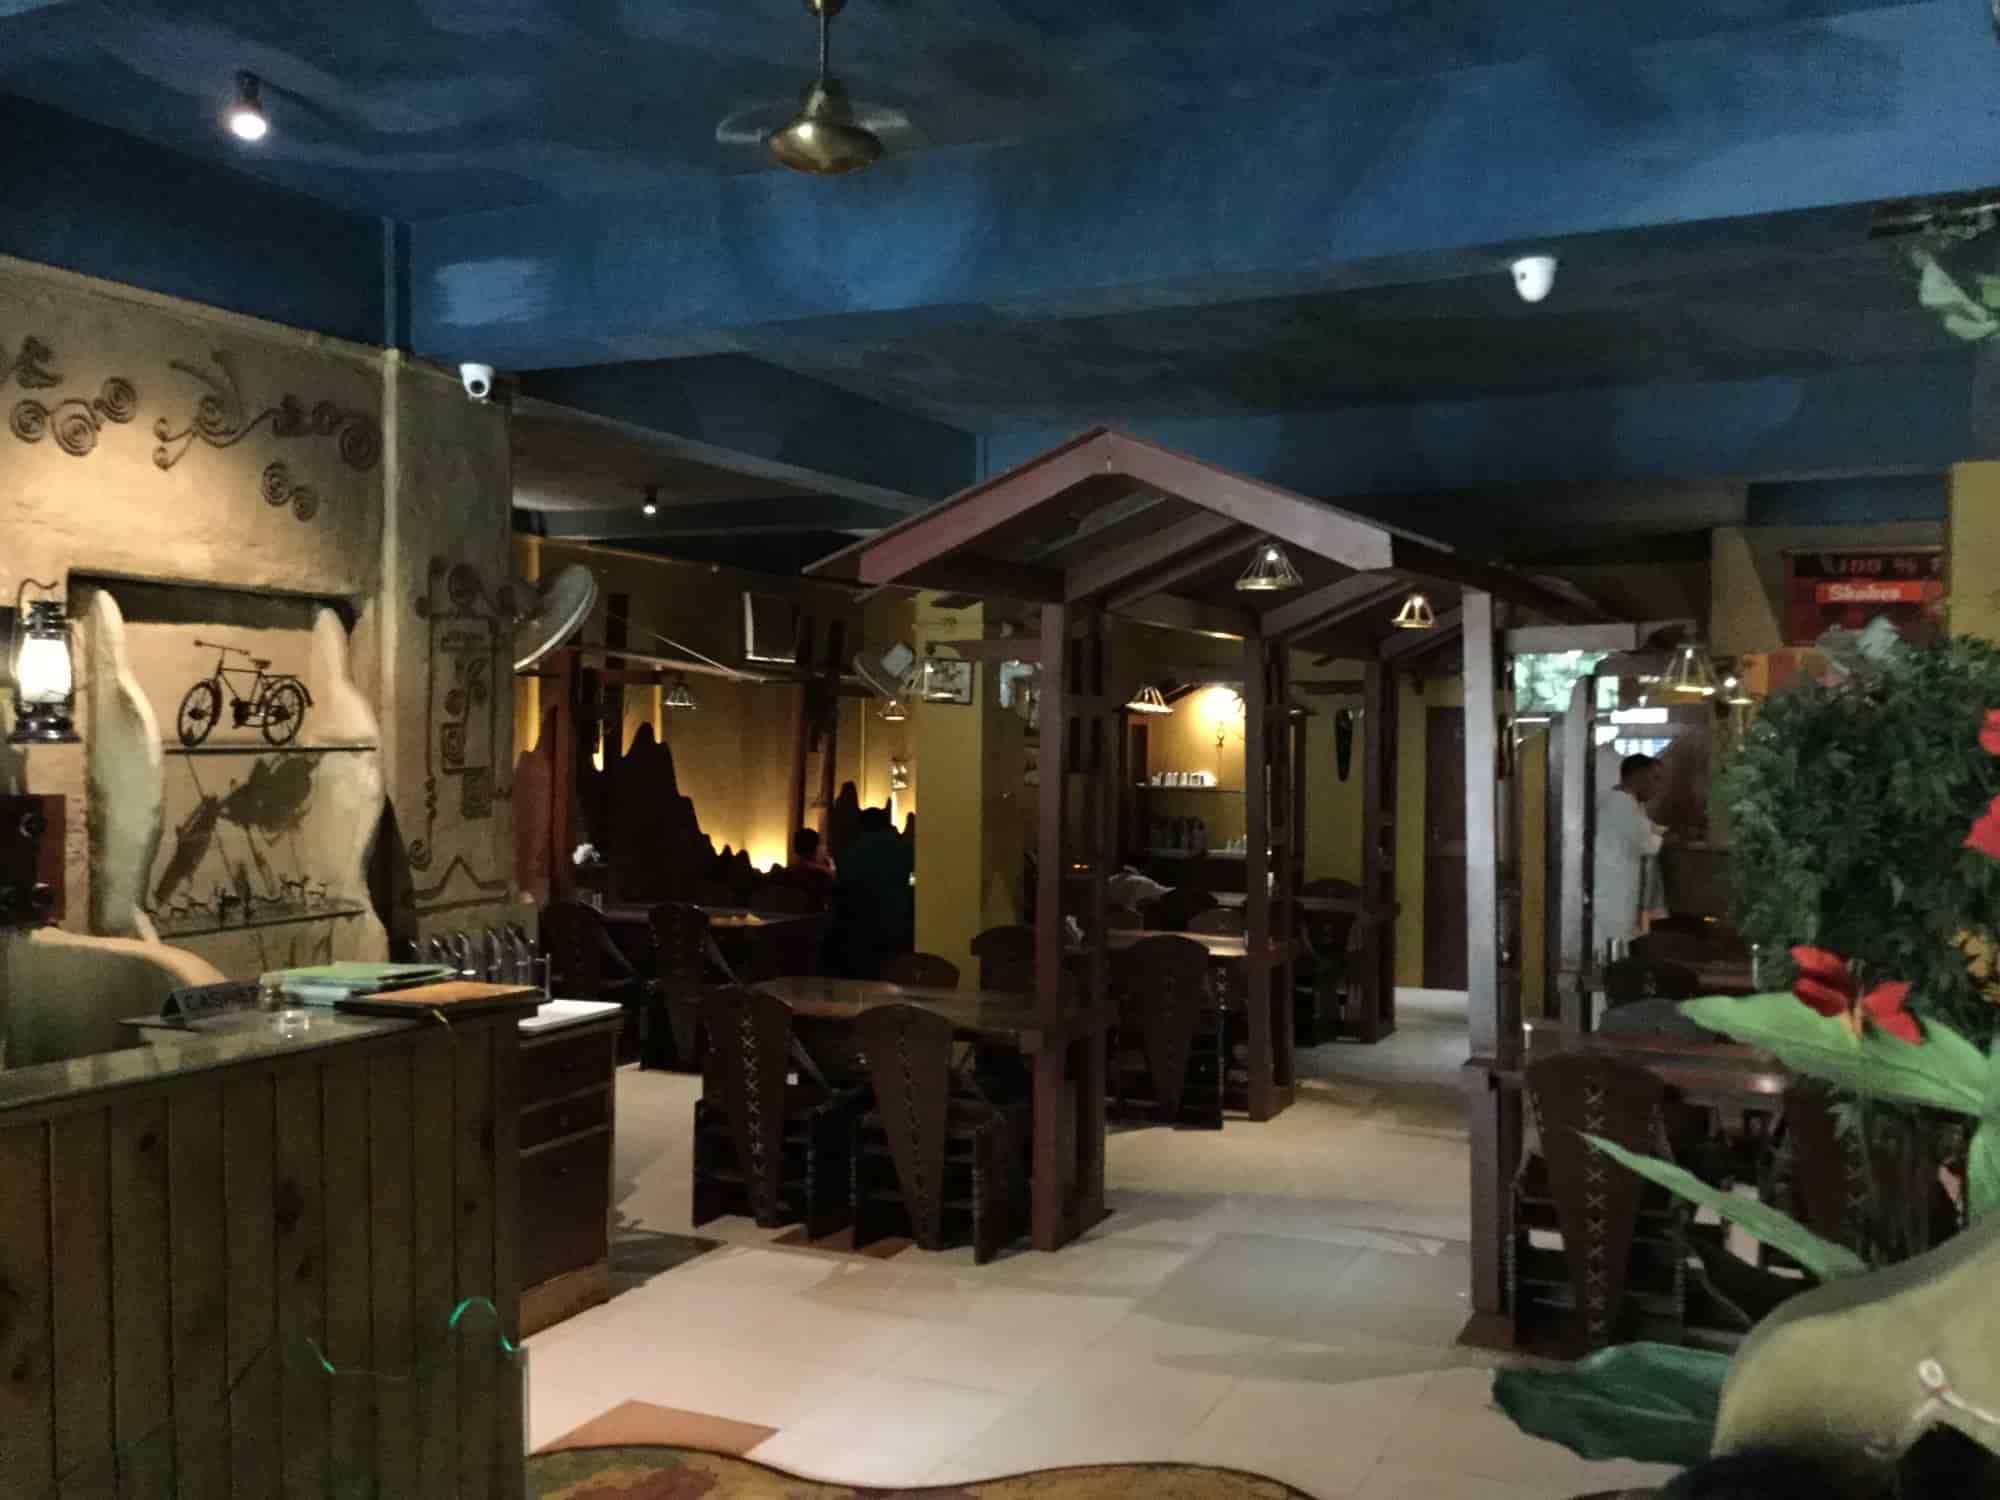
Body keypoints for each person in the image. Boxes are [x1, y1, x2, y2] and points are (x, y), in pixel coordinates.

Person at [832, 806, 915, 977]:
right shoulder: (903, 846)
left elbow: (843, 882)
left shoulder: (849, 850)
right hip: (896, 920)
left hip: (857, 926)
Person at [1592, 752, 1662, 955]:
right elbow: (1649, 845)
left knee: (1615, 946)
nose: (1657, 786)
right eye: (1655, 778)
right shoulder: (1622, 805)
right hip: (1613, 896)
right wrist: (1660, 834)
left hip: (1616, 893)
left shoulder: (1624, 802)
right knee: (1612, 950)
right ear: (1638, 777)